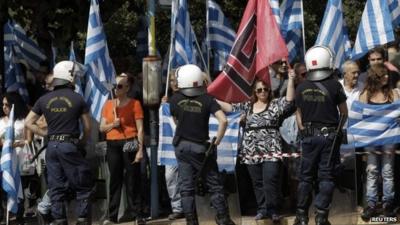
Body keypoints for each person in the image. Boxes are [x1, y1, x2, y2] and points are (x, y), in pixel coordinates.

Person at [219, 70, 295, 222]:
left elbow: (289, 100)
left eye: (265, 89)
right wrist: (209, 98)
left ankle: (273, 209)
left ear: (269, 91)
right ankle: (262, 209)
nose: (262, 92)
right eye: (259, 89)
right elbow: (229, 108)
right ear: (255, 91)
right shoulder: (247, 106)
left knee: (270, 179)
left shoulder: (275, 104)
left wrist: (291, 80)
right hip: (251, 151)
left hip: (271, 150)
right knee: (257, 183)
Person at [25, 61, 94, 225]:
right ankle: (82, 220)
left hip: (51, 148)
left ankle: (59, 220)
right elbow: (88, 127)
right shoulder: (78, 98)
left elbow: (29, 122)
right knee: (83, 186)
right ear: (69, 77)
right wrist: (81, 143)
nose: (75, 79)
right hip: (69, 146)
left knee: (56, 188)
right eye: (74, 76)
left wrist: (46, 133)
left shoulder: (43, 99)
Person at [169, 64, 234, 225]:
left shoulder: (175, 98)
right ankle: (223, 219)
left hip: (182, 147)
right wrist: (217, 141)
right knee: (214, 185)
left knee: (186, 187)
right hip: (201, 148)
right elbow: (223, 120)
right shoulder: (207, 99)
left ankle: (191, 221)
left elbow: (176, 121)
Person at [293, 46, 348, 225]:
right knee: (326, 176)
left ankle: (301, 216)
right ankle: (321, 216)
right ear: (328, 62)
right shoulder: (335, 85)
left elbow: (298, 113)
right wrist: (337, 132)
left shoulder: (301, 87)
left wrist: (303, 130)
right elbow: (344, 113)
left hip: (308, 137)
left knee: (305, 177)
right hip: (329, 137)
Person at [99, 73, 145, 225]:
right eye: (114, 86)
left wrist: (140, 149)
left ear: (127, 88)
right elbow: (102, 128)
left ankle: (138, 214)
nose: (116, 89)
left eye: (119, 86)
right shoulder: (108, 105)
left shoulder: (135, 104)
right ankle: (112, 216)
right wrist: (113, 124)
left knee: (133, 179)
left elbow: (140, 129)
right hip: (112, 143)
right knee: (115, 180)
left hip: (129, 142)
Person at [358, 64, 399, 221]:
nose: (387, 77)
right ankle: (372, 205)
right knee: (372, 170)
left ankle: (388, 204)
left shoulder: (392, 93)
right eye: (383, 75)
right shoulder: (366, 94)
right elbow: (359, 114)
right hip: (372, 138)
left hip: (389, 137)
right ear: (376, 77)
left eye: (387, 75)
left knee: (388, 171)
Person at [0, 92, 34, 224]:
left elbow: (29, 139)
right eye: (3, 104)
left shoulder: (24, 120)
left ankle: (19, 216)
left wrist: (18, 143)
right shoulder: (0, 121)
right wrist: (5, 144)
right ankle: (5, 214)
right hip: (5, 157)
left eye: (7, 104)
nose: (4, 107)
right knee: (5, 185)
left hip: (20, 157)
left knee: (21, 186)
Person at [161, 71, 184, 220]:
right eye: (171, 81)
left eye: (176, 80)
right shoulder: (167, 101)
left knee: (187, 177)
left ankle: (188, 207)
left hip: (187, 142)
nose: (173, 83)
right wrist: (165, 106)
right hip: (171, 146)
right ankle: (177, 207)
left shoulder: (189, 98)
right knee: (170, 176)